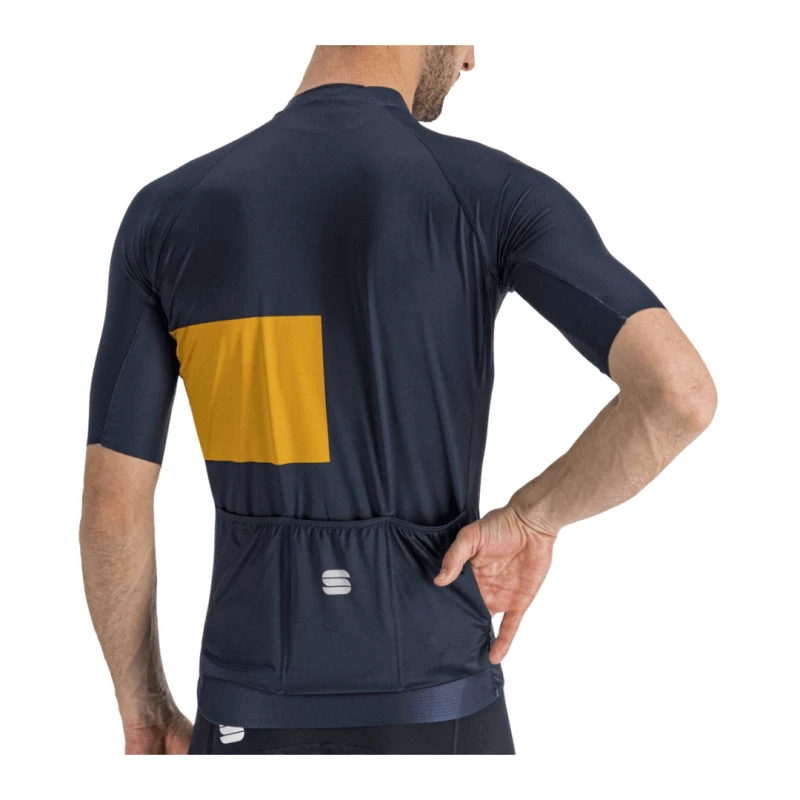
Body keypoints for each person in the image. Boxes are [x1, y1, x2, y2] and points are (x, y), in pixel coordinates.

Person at [80, 45, 716, 755]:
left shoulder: (169, 212)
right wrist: (534, 518)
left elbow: (110, 509)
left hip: (247, 707)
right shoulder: (491, 192)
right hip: (441, 705)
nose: (470, 58)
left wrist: (146, 710)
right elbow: (678, 394)